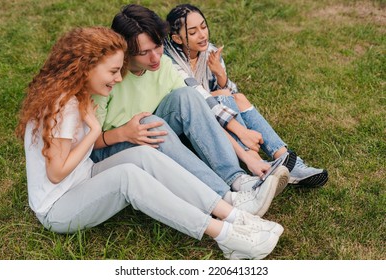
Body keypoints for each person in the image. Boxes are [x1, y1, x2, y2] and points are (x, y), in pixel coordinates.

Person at [16, 26, 286, 260]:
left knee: (145, 156)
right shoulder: (64, 106)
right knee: (127, 178)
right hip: (58, 206)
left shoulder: (79, 93)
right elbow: (56, 173)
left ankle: (233, 213)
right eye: (112, 71)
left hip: (84, 177)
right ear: (86, 67)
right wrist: (94, 130)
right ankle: (227, 236)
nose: (119, 78)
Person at [91, 5, 291, 217]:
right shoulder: (107, 77)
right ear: (125, 51)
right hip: (109, 146)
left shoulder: (163, 66)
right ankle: (226, 198)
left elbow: (201, 113)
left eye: (157, 46)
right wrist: (123, 133)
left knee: (188, 96)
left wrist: (246, 156)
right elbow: (88, 145)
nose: (155, 58)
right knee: (149, 124)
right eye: (143, 53)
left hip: (152, 129)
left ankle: (237, 179)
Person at [164, 4, 328, 187]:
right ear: (177, 38)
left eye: (204, 26)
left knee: (238, 98)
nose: (203, 35)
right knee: (224, 96)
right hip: (187, 126)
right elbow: (200, 97)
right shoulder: (169, 61)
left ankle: (287, 159)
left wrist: (220, 75)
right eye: (193, 32)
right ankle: (257, 163)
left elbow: (229, 93)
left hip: (212, 112)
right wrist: (243, 132)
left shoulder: (208, 51)